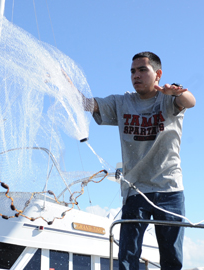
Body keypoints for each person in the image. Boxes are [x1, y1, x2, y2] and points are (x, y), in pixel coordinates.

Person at [81, 51, 196, 270]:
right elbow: (89, 104)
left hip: (169, 189)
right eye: (133, 71)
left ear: (158, 74)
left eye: (143, 70)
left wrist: (176, 92)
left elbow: (190, 101)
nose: (136, 75)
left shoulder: (169, 98)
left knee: (172, 258)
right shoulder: (122, 102)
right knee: (127, 256)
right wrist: (63, 86)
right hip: (135, 189)